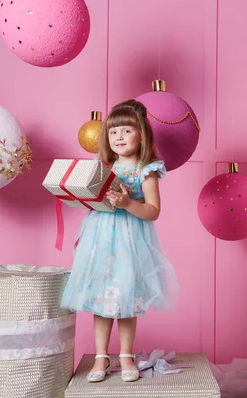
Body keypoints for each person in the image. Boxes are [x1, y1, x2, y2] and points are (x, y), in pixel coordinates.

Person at [61, 99, 179, 382]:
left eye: (126, 131)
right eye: (113, 132)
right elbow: (91, 200)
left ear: (142, 134)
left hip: (129, 240)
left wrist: (127, 203)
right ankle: (101, 356)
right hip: (100, 238)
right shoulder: (103, 166)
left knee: (126, 298)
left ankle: (126, 354)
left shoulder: (145, 169)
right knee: (101, 299)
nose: (119, 137)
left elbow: (153, 212)